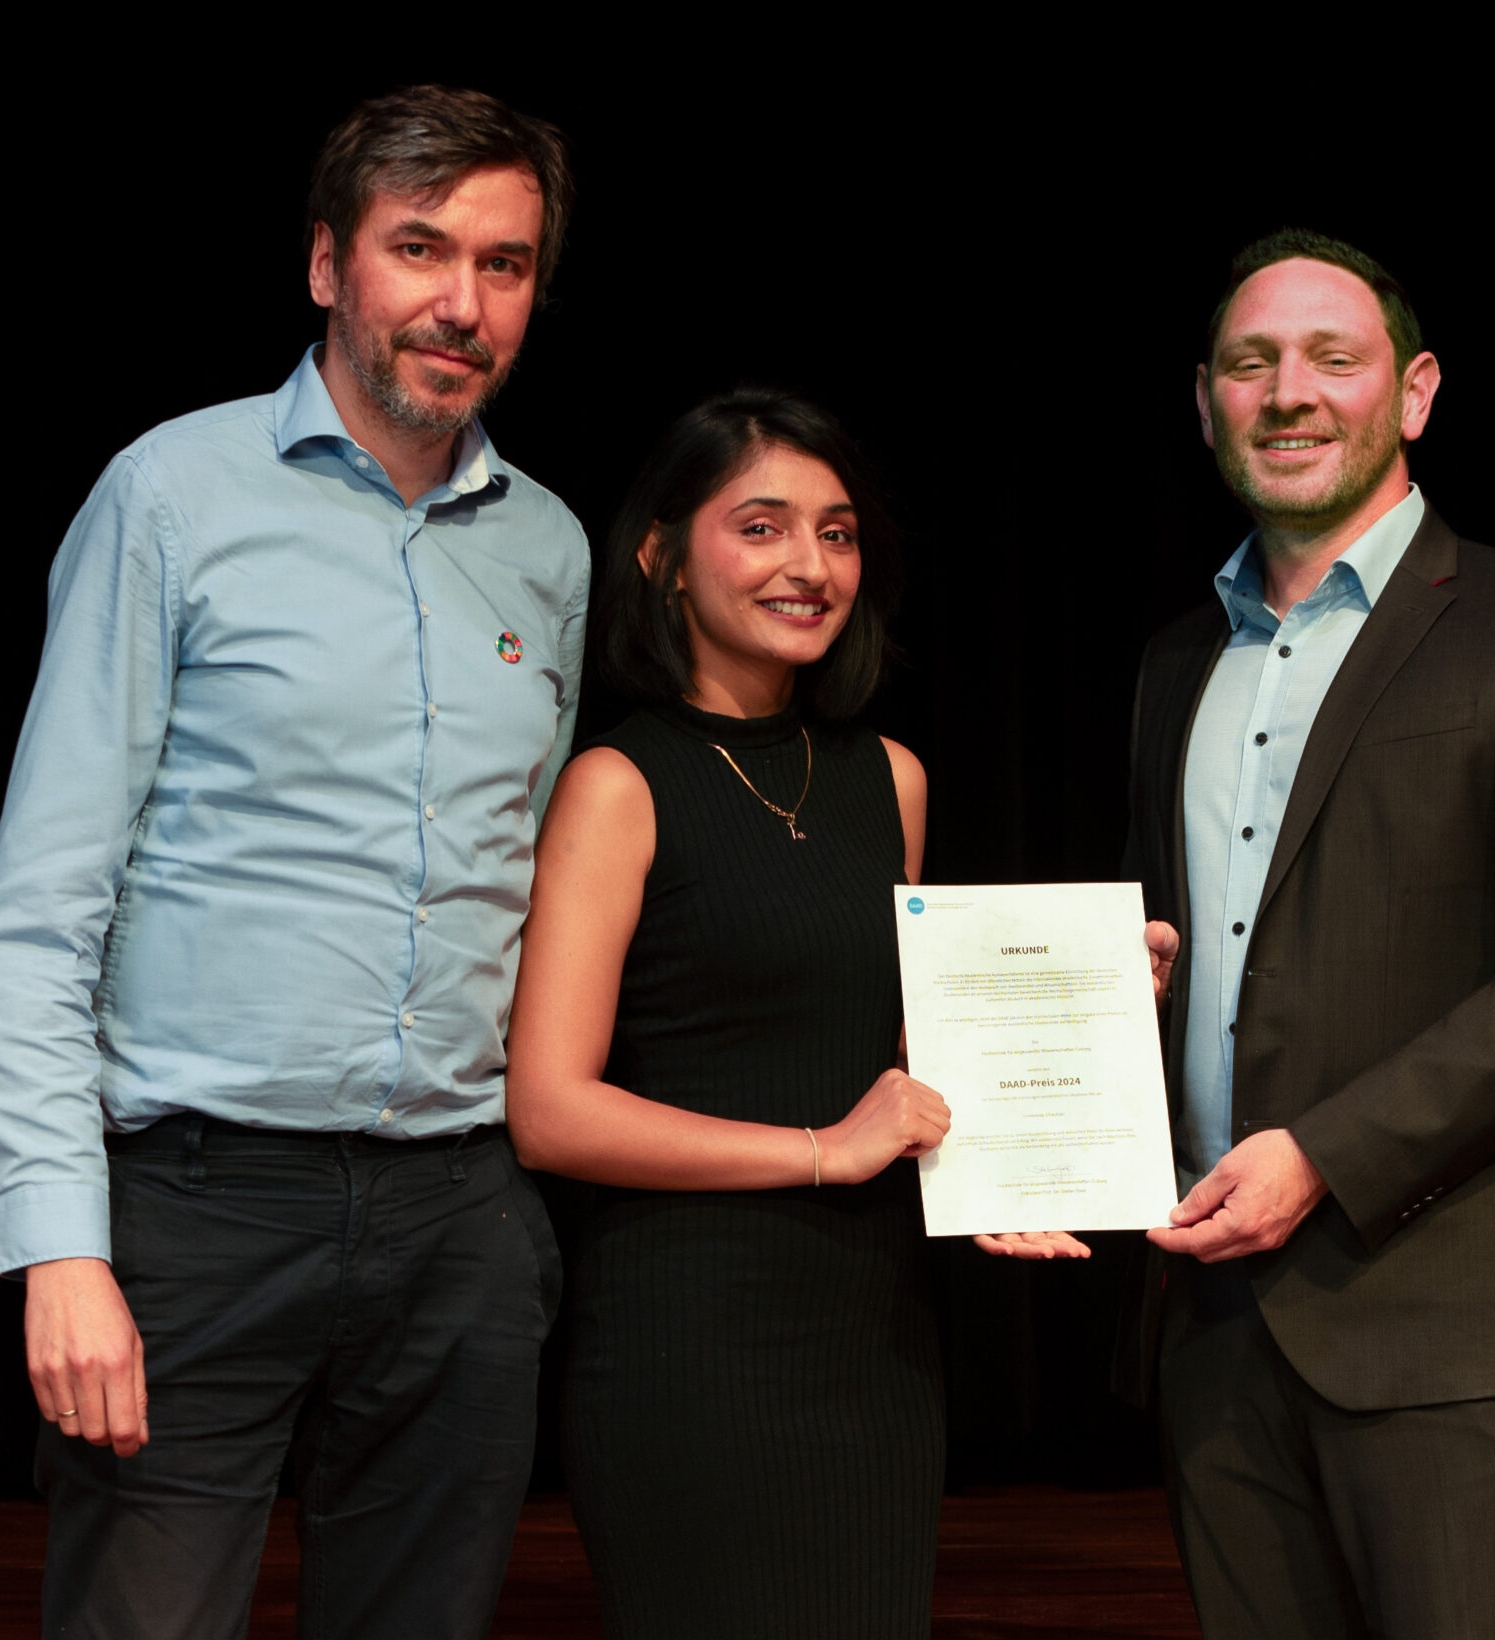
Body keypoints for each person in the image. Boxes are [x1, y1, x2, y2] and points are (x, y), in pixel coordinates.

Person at [0, 87, 585, 1639]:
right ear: (327, 265)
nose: (460, 302)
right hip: (195, 1208)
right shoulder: (173, 497)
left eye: (503, 265)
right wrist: (61, 1249)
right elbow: (42, 914)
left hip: (459, 1226)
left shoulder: (549, 550)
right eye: (419, 249)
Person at [1121, 228, 1495, 1639]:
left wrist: (1322, 1154)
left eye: (1332, 358)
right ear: (1206, 402)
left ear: (1413, 393)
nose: (1289, 392)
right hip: (1214, 1336)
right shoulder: (1178, 662)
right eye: (1252, 363)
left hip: (1449, 1330)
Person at [507, 388, 1083, 1638]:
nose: (809, 565)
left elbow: (891, 1059)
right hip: (688, 1341)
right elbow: (550, 1110)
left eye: (837, 532)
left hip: (871, 1342)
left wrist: (1068, 1001)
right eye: (761, 526)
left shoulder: (893, 778)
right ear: (661, 554)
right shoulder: (616, 784)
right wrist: (825, 1152)